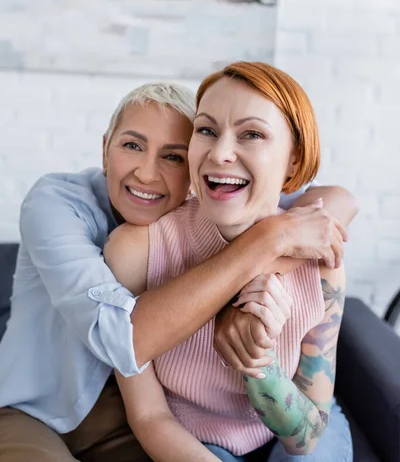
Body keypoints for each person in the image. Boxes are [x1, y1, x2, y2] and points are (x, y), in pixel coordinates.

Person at [0, 80, 356, 462]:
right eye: (132, 145)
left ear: (192, 167)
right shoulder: (56, 204)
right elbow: (124, 340)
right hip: (38, 408)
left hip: (133, 416)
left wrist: (276, 251)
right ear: (105, 150)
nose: (147, 174)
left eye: (172, 156)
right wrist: (269, 241)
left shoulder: (210, 200)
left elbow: (332, 201)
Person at [104, 62, 354, 462]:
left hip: (290, 426)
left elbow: (304, 438)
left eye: (252, 134)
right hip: (193, 437)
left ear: (293, 161)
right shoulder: (137, 251)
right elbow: (149, 416)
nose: (220, 154)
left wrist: (260, 367)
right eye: (206, 130)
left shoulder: (321, 260)